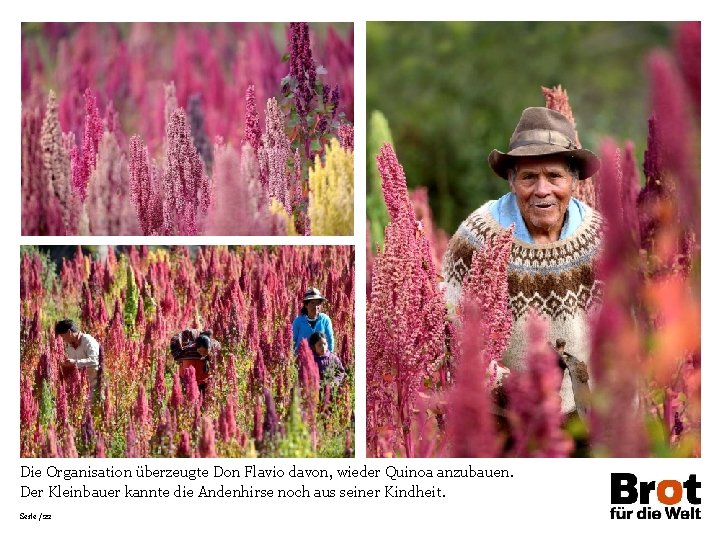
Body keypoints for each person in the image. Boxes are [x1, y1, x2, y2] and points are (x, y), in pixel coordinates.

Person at [442, 107, 603, 414]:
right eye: (529, 177)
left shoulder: (598, 237)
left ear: (574, 180)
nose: (543, 190)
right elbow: (450, 322)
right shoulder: (477, 235)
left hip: (584, 414)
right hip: (504, 417)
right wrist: (491, 377)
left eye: (554, 176)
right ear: (512, 181)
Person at [54, 319, 101, 398]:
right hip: (83, 388)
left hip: (96, 386)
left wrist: (75, 363)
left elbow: (95, 361)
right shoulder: (70, 347)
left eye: (62, 336)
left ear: (69, 332)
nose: (62, 340)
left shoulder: (88, 341)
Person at [292, 287, 334, 354]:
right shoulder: (298, 322)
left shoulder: (325, 320)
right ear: (306, 305)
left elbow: (330, 340)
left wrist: (328, 358)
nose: (315, 306)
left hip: (321, 360)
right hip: (302, 360)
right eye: (312, 303)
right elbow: (292, 342)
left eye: (318, 303)